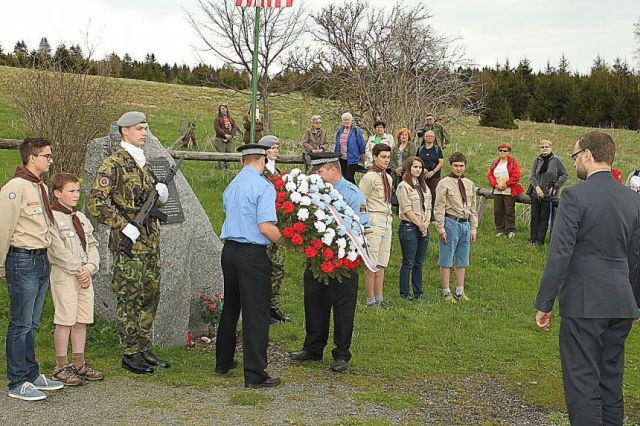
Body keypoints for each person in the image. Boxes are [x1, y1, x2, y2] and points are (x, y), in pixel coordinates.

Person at [535, 131, 640, 425]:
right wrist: (636, 301)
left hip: (584, 303)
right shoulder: (632, 199)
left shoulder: (574, 195)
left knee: (582, 383)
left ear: (588, 155)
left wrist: (545, 302)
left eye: (576, 155)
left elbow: (560, 253)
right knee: (610, 382)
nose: (576, 161)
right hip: (620, 303)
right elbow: (636, 255)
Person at [87, 111, 170, 375]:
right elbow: (95, 204)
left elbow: (143, 202)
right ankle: (130, 352)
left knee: (150, 295)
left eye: (145, 128)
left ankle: (144, 348)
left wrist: (161, 198)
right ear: (124, 131)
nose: (144, 133)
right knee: (129, 298)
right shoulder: (113, 165)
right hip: (129, 245)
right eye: (139, 129)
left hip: (150, 242)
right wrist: (124, 225)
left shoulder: (143, 163)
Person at [290, 152, 369, 372]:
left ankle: (341, 353)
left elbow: (362, 227)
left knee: (343, 307)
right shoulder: (314, 191)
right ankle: (313, 347)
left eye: (320, 170)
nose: (317, 174)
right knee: (314, 302)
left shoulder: (352, 194)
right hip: (316, 258)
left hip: (343, 260)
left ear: (333, 169)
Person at [0, 137, 64, 401]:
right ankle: (16, 381)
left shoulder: (40, 187)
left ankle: (31, 373)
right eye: (46, 156)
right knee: (20, 323)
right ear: (32, 157)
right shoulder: (15, 188)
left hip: (40, 259)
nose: (49, 160)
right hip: (22, 259)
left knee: (34, 323)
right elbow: (4, 226)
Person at [215, 143, 283, 389]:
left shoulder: (232, 185)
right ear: (262, 161)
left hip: (230, 251)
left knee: (231, 306)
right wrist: (283, 238)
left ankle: (223, 361)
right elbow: (265, 227)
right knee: (256, 313)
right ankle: (255, 374)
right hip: (251, 254)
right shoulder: (263, 186)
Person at [48, 173, 103, 386]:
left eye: (78, 191)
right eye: (71, 191)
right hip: (65, 275)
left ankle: (78, 362)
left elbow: (92, 244)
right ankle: (61, 366)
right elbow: (57, 250)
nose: (75, 195)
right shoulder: (52, 218)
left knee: (81, 320)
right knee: (65, 320)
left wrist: (90, 268)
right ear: (57, 193)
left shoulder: (80, 217)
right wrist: (78, 269)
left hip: (84, 276)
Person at [434, 152, 478, 303]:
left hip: (465, 223)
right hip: (450, 222)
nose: (459, 169)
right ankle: (446, 291)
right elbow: (438, 207)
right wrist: (441, 228)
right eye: (456, 166)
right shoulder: (444, 183)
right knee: (446, 258)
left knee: (462, 259)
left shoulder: (469, 184)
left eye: (461, 166)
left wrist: (473, 228)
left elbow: (473, 208)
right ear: (451, 166)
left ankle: (460, 290)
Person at [259, 135, 290, 324]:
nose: (276, 150)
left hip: (280, 220)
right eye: (273, 148)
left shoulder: (275, 169)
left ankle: (274, 304)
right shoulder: (261, 172)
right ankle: (264, 306)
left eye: (277, 147)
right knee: (266, 264)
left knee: (278, 265)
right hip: (267, 221)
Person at [359, 143, 393, 307]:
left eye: (388, 157)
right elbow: (361, 201)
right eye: (383, 157)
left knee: (382, 260)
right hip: (374, 219)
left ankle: (380, 296)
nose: (386, 160)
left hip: (386, 219)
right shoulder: (369, 177)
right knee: (371, 260)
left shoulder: (388, 177)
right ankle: (370, 298)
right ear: (374, 157)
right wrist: (364, 222)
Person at [396, 157, 431, 300]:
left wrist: (426, 224)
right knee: (408, 262)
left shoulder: (424, 186)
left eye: (420, 167)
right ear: (409, 168)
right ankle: (405, 293)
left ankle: (418, 292)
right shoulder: (403, 186)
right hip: (409, 227)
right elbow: (406, 209)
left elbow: (428, 207)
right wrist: (419, 224)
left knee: (419, 262)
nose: (417, 170)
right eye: (415, 167)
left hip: (423, 227)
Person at [528, 140, 569, 245]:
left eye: (547, 147)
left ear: (551, 147)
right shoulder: (536, 160)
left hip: (548, 194)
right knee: (534, 217)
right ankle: (532, 239)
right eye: (542, 147)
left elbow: (565, 175)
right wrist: (536, 188)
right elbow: (532, 176)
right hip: (535, 193)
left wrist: (556, 186)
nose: (544, 149)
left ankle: (539, 240)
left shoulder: (556, 161)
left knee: (544, 218)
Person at [487, 143, 524, 238]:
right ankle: (500, 229)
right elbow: (490, 175)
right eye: (500, 150)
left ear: (509, 152)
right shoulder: (495, 162)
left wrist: (506, 184)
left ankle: (510, 230)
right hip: (497, 190)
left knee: (509, 211)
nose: (502, 152)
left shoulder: (513, 162)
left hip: (509, 190)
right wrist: (495, 185)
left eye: (505, 151)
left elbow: (516, 176)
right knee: (498, 210)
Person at [416, 130, 444, 218]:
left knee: (433, 194)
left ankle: (433, 215)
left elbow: (441, 162)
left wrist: (434, 171)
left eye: (431, 136)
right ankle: (422, 213)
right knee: (422, 193)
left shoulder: (437, 149)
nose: (429, 138)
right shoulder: (420, 149)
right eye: (427, 136)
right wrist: (422, 169)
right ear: (424, 137)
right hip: (422, 175)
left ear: (434, 138)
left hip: (434, 176)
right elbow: (417, 161)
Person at [334, 112, 366, 184]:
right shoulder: (340, 131)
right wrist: (335, 155)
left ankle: (357, 193)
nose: (346, 121)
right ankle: (347, 194)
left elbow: (361, 144)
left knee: (349, 178)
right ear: (342, 121)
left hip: (353, 158)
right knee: (344, 178)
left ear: (351, 121)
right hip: (342, 158)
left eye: (348, 120)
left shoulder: (356, 131)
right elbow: (337, 143)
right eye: (345, 120)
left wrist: (362, 155)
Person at [213, 104, 238, 169]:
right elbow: (217, 128)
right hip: (220, 139)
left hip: (230, 139)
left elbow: (234, 127)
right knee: (222, 155)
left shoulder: (230, 119)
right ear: (220, 110)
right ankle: (222, 169)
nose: (224, 110)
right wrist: (224, 135)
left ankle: (229, 169)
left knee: (230, 153)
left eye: (225, 108)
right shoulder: (218, 119)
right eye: (222, 109)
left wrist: (231, 135)